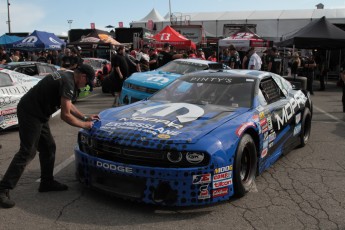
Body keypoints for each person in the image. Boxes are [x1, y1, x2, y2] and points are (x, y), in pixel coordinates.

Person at [0, 64, 99, 209]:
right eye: (87, 82)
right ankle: (3, 189)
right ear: (83, 76)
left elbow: (68, 104)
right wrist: (85, 125)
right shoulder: (68, 81)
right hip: (30, 112)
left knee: (48, 147)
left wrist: (84, 117)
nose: (86, 86)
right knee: (27, 151)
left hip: (39, 113)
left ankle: (46, 182)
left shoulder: (68, 76)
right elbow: (65, 116)